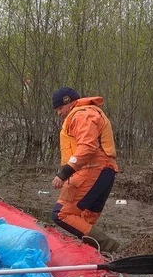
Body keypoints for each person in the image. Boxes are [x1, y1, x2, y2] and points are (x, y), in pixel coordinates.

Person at [49, 86, 121, 253]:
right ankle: (94, 254)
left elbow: (87, 147)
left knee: (61, 214)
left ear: (69, 102)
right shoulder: (85, 114)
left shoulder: (81, 115)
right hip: (101, 172)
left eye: (60, 108)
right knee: (84, 219)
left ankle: (111, 249)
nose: (59, 113)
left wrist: (64, 173)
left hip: (93, 171)